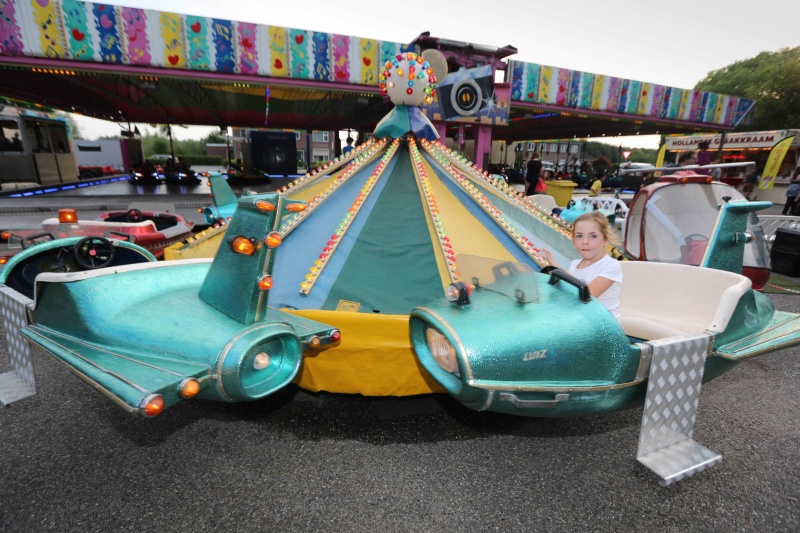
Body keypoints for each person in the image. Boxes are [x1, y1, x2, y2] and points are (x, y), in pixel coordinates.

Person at [538, 210, 623, 318]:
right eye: (579, 236)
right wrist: (552, 267)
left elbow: (586, 296)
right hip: (580, 320)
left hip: (603, 325)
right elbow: (572, 281)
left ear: (605, 239)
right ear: (573, 240)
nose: (585, 241)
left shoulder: (611, 265)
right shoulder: (575, 264)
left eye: (593, 236)